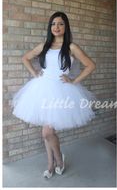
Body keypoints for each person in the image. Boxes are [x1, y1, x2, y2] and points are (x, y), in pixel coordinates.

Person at [12, 11, 96, 179]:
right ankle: (52, 164)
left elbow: (90, 65)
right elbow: (25, 58)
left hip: (61, 91)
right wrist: (35, 74)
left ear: (66, 27)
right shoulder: (44, 45)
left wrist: (73, 81)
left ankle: (59, 161)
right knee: (47, 131)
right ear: (50, 27)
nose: (56, 27)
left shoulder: (71, 47)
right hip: (41, 89)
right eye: (53, 24)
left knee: (47, 132)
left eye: (60, 24)